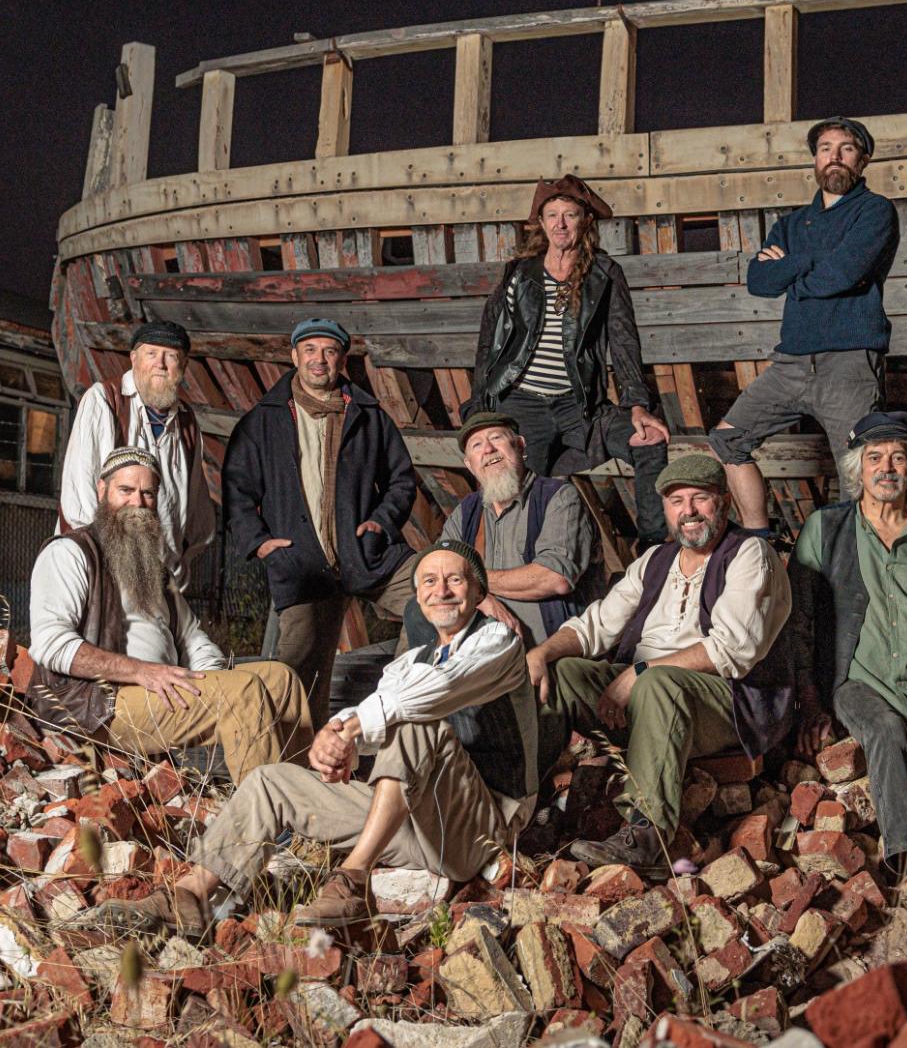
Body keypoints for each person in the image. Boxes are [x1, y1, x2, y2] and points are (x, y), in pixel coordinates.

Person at [92, 542, 537, 936]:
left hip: (480, 826)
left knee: (415, 720)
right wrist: (333, 736)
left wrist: (350, 728)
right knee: (271, 782)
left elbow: (428, 697)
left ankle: (353, 878)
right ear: (418, 595)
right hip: (412, 828)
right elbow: (382, 707)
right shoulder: (411, 662)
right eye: (429, 581)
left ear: (478, 593)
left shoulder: (498, 641)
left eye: (454, 580)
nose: (440, 590)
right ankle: (189, 896)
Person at [528, 454, 792, 871]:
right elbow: (595, 625)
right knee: (562, 675)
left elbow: (731, 650)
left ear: (723, 501)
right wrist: (543, 652)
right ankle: (530, 807)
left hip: (726, 702)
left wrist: (641, 673)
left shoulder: (749, 554)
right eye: (675, 501)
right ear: (665, 509)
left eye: (699, 498)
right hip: (643, 693)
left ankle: (646, 833)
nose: (687, 511)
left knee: (658, 684)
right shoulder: (655, 560)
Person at [29, 448, 313, 784]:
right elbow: (51, 645)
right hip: (98, 704)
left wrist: (215, 681)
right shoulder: (70, 553)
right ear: (102, 491)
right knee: (244, 692)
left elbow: (192, 638)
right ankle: (265, 827)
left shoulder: (154, 568)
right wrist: (141, 672)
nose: (138, 503)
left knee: (281, 679)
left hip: (160, 689)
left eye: (148, 493)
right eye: (126, 490)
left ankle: (303, 807)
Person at [790, 410, 907, 932]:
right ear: (857, 469)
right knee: (885, 731)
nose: (886, 468)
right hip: (858, 681)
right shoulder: (826, 528)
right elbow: (799, 623)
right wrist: (811, 702)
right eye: (874, 458)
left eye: (897, 457)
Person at [222, 317, 417, 726]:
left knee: (429, 596)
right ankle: (299, 769)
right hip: (303, 562)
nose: (319, 359)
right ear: (294, 357)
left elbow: (401, 479)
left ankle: (398, 706)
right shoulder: (263, 421)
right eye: (309, 350)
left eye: (329, 351)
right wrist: (259, 543)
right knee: (297, 678)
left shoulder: (368, 415)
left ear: (341, 359)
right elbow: (238, 490)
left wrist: (382, 522)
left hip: (364, 553)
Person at [709, 118, 899, 532]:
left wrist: (792, 270)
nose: (835, 155)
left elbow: (844, 274)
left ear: (862, 160)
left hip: (848, 364)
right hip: (790, 363)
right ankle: (760, 538)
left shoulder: (875, 211)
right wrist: (814, 262)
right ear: (815, 160)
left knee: (861, 476)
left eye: (846, 148)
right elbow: (759, 281)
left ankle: (867, 582)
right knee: (727, 439)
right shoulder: (791, 224)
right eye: (826, 147)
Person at [467, 174, 670, 550]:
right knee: (515, 482)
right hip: (522, 403)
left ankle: (653, 551)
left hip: (580, 407)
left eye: (570, 215)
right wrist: (480, 407)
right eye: (552, 215)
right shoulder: (519, 274)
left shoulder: (605, 274)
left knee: (650, 440)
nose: (561, 223)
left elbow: (624, 341)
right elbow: (489, 343)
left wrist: (637, 405)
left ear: (585, 222)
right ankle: (508, 561)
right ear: (541, 224)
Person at [403, 411, 604, 650]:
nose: (488, 450)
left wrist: (472, 582)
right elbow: (436, 574)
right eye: (477, 445)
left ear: (519, 445)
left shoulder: (558, 497)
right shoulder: (466, 512)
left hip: (548, 647)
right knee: (418, 609)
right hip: (481, 645)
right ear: (470, 465)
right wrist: (484, 599)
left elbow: (555, 578)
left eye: (496, 438)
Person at [58, 321, 215, 592]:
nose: (161, 364)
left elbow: (196, 509)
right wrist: (100, 569)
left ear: (184, 365)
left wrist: (176, 568)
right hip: (102, 574)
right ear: (134, 358)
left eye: (171, 356)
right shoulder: (104, 400)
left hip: (160, 580)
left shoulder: (187, 422)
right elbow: (79, 496)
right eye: (151, 354)